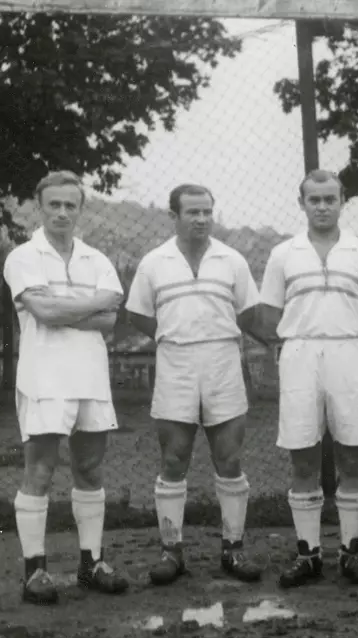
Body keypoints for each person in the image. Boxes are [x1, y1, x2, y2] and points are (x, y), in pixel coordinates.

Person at [125, 184, 267, 586]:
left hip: (223, 360)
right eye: (192, 212)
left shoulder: (232, 260)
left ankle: (233, 549)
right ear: (175, 216)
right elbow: (138, 315)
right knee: (174, 460)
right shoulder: (154, 262)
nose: (202, 219)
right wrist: (174, 334)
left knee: (230, 460)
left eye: (207, 211)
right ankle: (172, 551)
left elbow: (249, 312)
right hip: (176, 362)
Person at [259, 169, 358, 588]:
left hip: (348, 350)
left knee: (352, 455)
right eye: (314, 199)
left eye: (329, 199)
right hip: (299, 352)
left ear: (342, 201)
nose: (322, 206)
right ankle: (308, 554)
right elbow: (268, 314)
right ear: (302, 203)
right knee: (303, 455)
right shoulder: (284, 253)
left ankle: (350, 553)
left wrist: (341, 333)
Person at [2, 170, 130, 605]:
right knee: (39, 470)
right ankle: (35, 571)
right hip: (44, 378)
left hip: (91, 377)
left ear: (80, 209)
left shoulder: (97, 259)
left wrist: (61, 307)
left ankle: (91, 563)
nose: (61, 212)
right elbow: (44, 312)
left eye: (69, 205)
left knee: (90, 470)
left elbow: (110, 319)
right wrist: (88, 304)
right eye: (53, 204)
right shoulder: (23, 256)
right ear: (40, 207)